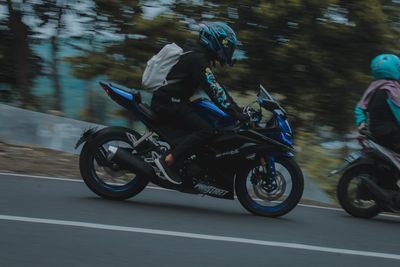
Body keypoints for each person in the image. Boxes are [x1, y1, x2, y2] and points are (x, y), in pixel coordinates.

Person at [151, 22, 246, 185]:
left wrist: (236, 109)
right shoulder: (197, 59)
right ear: (213, 40)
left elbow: (215, 86)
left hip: (171, 101)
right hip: (169, 103)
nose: (228, 49)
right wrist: (237, 113)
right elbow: (215, 90)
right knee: (206, 130)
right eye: (226, 44)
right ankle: (169, 161)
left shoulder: (196, 55)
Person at [355, 54, 400, 152]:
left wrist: (361, 122)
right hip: (391, 135)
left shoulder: (374, 87)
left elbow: (359, 107)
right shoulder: (391, 90)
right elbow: (398, 114)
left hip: (377, 133)